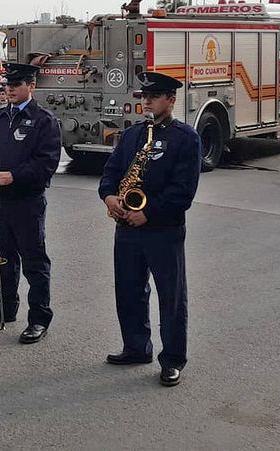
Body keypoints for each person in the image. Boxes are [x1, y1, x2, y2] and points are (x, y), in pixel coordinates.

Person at [98, 71, 201, 387]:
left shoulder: (186, 138)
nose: (146, 102)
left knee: (171, 297)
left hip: (162, 230)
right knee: (128, 290)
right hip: (126, 227)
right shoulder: (131, 135)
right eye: (144, 97)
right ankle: (136, 347)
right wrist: (110, 196)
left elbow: (184, 190)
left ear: (171, 100)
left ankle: (172, 360)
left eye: (153, 97)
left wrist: (150, 213)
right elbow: (111, 172)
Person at [0, 63, 61, 344]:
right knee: (4, 258)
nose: (9, 89)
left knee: (34, 262)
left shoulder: (43, 120)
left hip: (27, 200)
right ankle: (6, 306)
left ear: (31, 86)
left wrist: (13, 176)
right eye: (6, 85)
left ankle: (38, 317)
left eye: (16, 84)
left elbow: (47, 163)